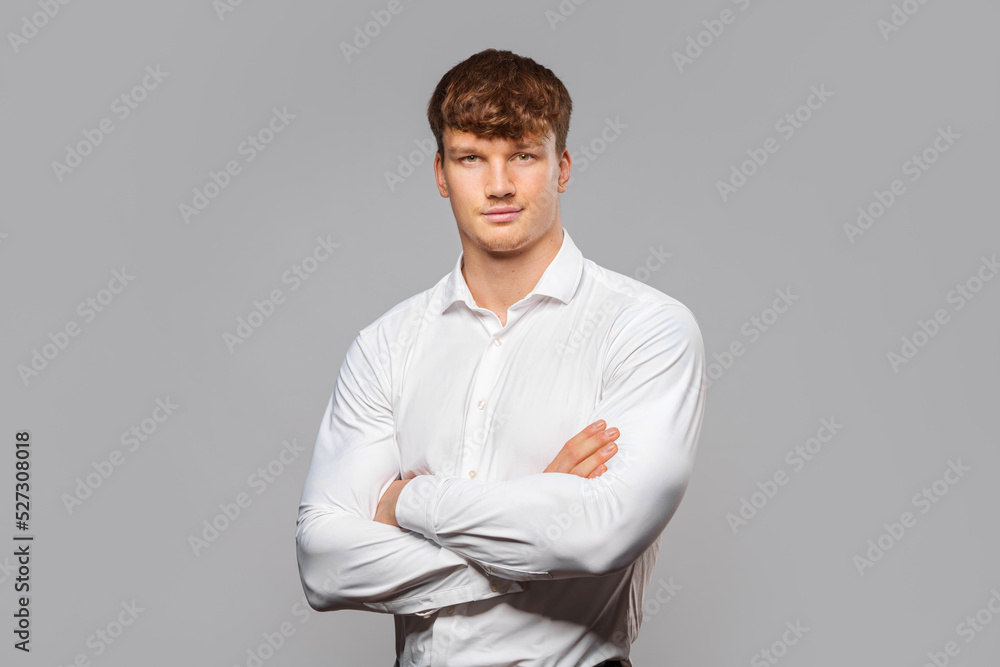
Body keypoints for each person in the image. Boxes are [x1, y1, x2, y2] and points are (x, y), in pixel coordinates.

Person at [296, 48, 706, 667]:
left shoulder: (646, 328)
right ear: (440, 173)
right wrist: (540, 524)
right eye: (471, 158)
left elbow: (602, 532)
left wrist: (407, 504)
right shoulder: (386, 343)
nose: (499, 185)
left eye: (522, 155)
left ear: (561, 166)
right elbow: (325, 564)